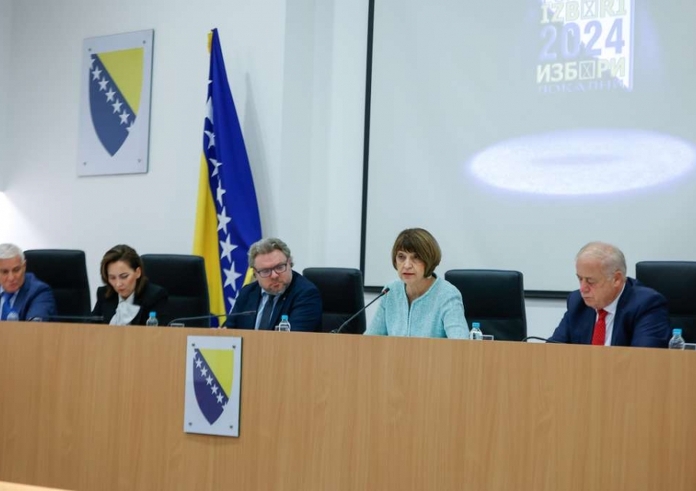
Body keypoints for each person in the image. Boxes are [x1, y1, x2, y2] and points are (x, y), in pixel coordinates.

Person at [549, 242, 670, 347]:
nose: (582, 289)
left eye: (590, 281)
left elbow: (643, 359)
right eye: (580, 279)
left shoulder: (646, 305)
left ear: (616, 279)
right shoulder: (577, 302)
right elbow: (553, 351)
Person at [365, 228, 468, 338]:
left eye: (416, 257)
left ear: (429, 260)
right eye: (401, 257)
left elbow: (460, 343)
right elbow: (370, 340)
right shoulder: (391, 290)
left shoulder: (447, 295)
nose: (407, 265)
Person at [225, 238, 322, 332]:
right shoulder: (247, 293)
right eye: (265, 271)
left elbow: (294, 339)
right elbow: (228, 331)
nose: (274, 275)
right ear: (255, 273)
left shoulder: (306, 294)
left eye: (279, 267)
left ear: (289, 263)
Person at [92, 244, 169, 326]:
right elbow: (90, 326)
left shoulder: (155, 296)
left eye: (124, 276)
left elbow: (158, 331)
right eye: (112, 278)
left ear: (138, 272)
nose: (118, 284)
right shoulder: (104, 294)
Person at [0, 243, 57, 321]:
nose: (11, 278)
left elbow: (34, 325)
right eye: (5, 272)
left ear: (24, 266)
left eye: (16, 270)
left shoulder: (39, 291)